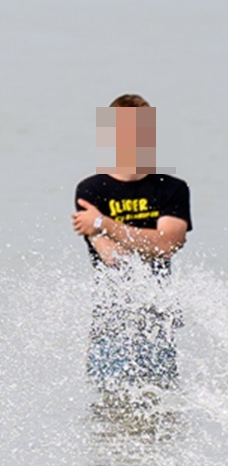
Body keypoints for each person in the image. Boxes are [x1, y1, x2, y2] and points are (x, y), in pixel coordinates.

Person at [70, 94, 192, 390]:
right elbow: (113, 256)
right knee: (110, 420)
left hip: (157, 326)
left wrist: (104, 223)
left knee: (162, 420)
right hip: (109, 328)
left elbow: (167, 245)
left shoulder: (172, 189)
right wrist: (146, 240)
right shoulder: (91, 189)